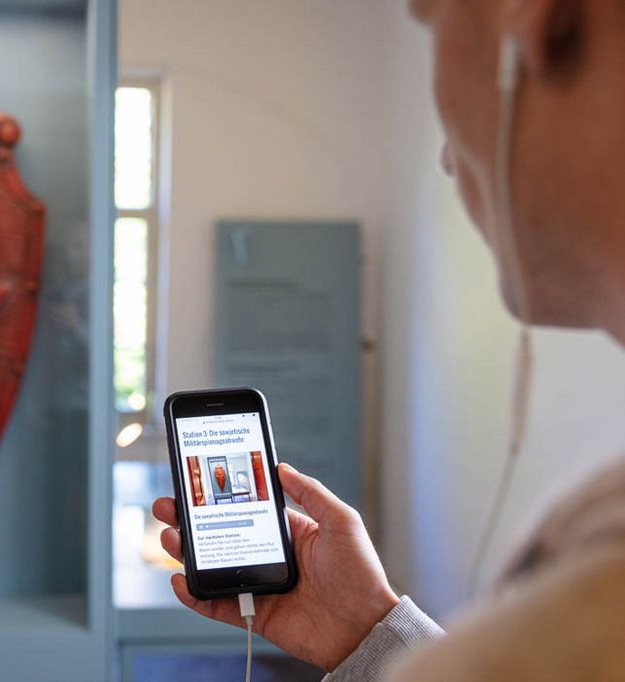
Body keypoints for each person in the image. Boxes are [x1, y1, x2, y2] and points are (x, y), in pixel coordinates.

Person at [152, 0, 625, 678]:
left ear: (530, 19)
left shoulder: (594, 605)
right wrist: (370, 634)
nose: (443, 155)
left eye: (430, 20)